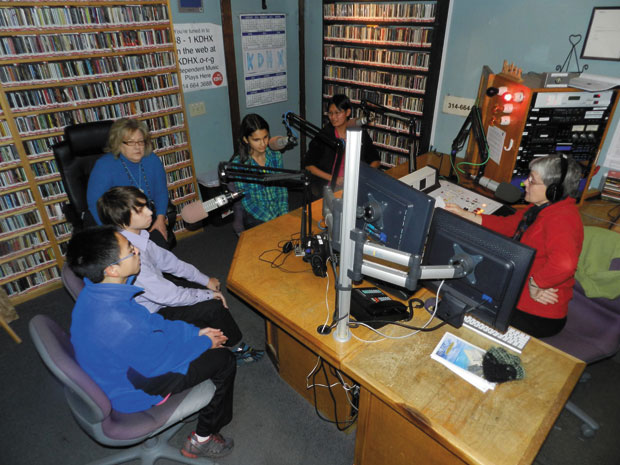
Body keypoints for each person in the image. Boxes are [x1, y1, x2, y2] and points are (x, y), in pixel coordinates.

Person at [66, 226, 236, 458]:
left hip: (121, 369)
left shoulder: (97, 290)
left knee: (196, 335)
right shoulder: (121, 323)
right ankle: (203, 438)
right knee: (224, 359)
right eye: (130, 249)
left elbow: (152, 322)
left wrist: (194, 334)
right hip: (138, 388)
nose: (137, 249)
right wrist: (204, 343)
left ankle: (201, 361)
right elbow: (159, 363)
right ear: (113, 269)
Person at [97, 185, 264, 365]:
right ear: (122, 221)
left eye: (147, 205)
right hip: (151, 318)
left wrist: (205, 280)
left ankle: (209, 339)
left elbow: (172, 263)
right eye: (140, 210)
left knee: (199, 292)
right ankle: (237, 348)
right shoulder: (130, 258)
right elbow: (169, 296)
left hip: (157, 295)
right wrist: (209, 294)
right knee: (213, 305)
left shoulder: (139, 237)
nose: (149, 212)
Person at [444, 154, 584, 338]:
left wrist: (536, 283)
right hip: (518, 291)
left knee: (461, 307)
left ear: (553, 190)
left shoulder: (562, 219)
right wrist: (465, 214)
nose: (525, 183)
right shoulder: (541, 208)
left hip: (536, 314)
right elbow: (509, 225)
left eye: (532, 181)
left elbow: (565, 264)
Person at [86, 118, 173, 249]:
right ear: (118, 144)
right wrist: (117, 235)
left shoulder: (152, 160)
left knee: (159, 248)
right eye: (131, 142)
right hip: (115, 223)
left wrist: (161, 218)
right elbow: (95, 205)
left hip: (143, 216)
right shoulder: (104, 166)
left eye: (140, 141)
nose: (137, 147)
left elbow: (161, 192)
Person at [304, 94, 381, 199]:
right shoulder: (324, 135)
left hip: (356, 184)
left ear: (348, 112)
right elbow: (309, 165)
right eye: (330, 113)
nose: (333, 117)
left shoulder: (359, 133)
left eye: (337, 113)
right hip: (331, 185)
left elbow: (376, 160)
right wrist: (334, 178)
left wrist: (363, 177)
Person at [230, 113, 289, 230]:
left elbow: (281, 188)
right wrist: (271, 220)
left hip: (276, 210)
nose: (263, 144)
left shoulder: (275, 155)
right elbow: (247, 201)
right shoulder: (239, 164)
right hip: (256, 214)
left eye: (265, 137)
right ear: (246, 139)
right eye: (256, 140)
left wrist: (283, 214)